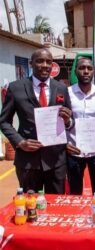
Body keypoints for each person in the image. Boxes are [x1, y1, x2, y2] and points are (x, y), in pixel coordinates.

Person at [0, 48, 72, 194]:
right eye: (40, 61)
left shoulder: (62, 88)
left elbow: (71, 121)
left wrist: (67, 120)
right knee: (30, 207)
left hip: (56, 161)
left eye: (48, 62)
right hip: (28, 161)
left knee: (56, 206)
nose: (45, 65)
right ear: (31, 63)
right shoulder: (16, 88)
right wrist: (20, 142)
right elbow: (4, 121)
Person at [65, 57, 95, 194]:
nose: (86, 71)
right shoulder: (67, 93)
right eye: (82, 68)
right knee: (75, 191)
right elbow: (62, 122)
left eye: (89, 69)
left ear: (93, 72)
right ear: (76, 71)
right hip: (74, 151)